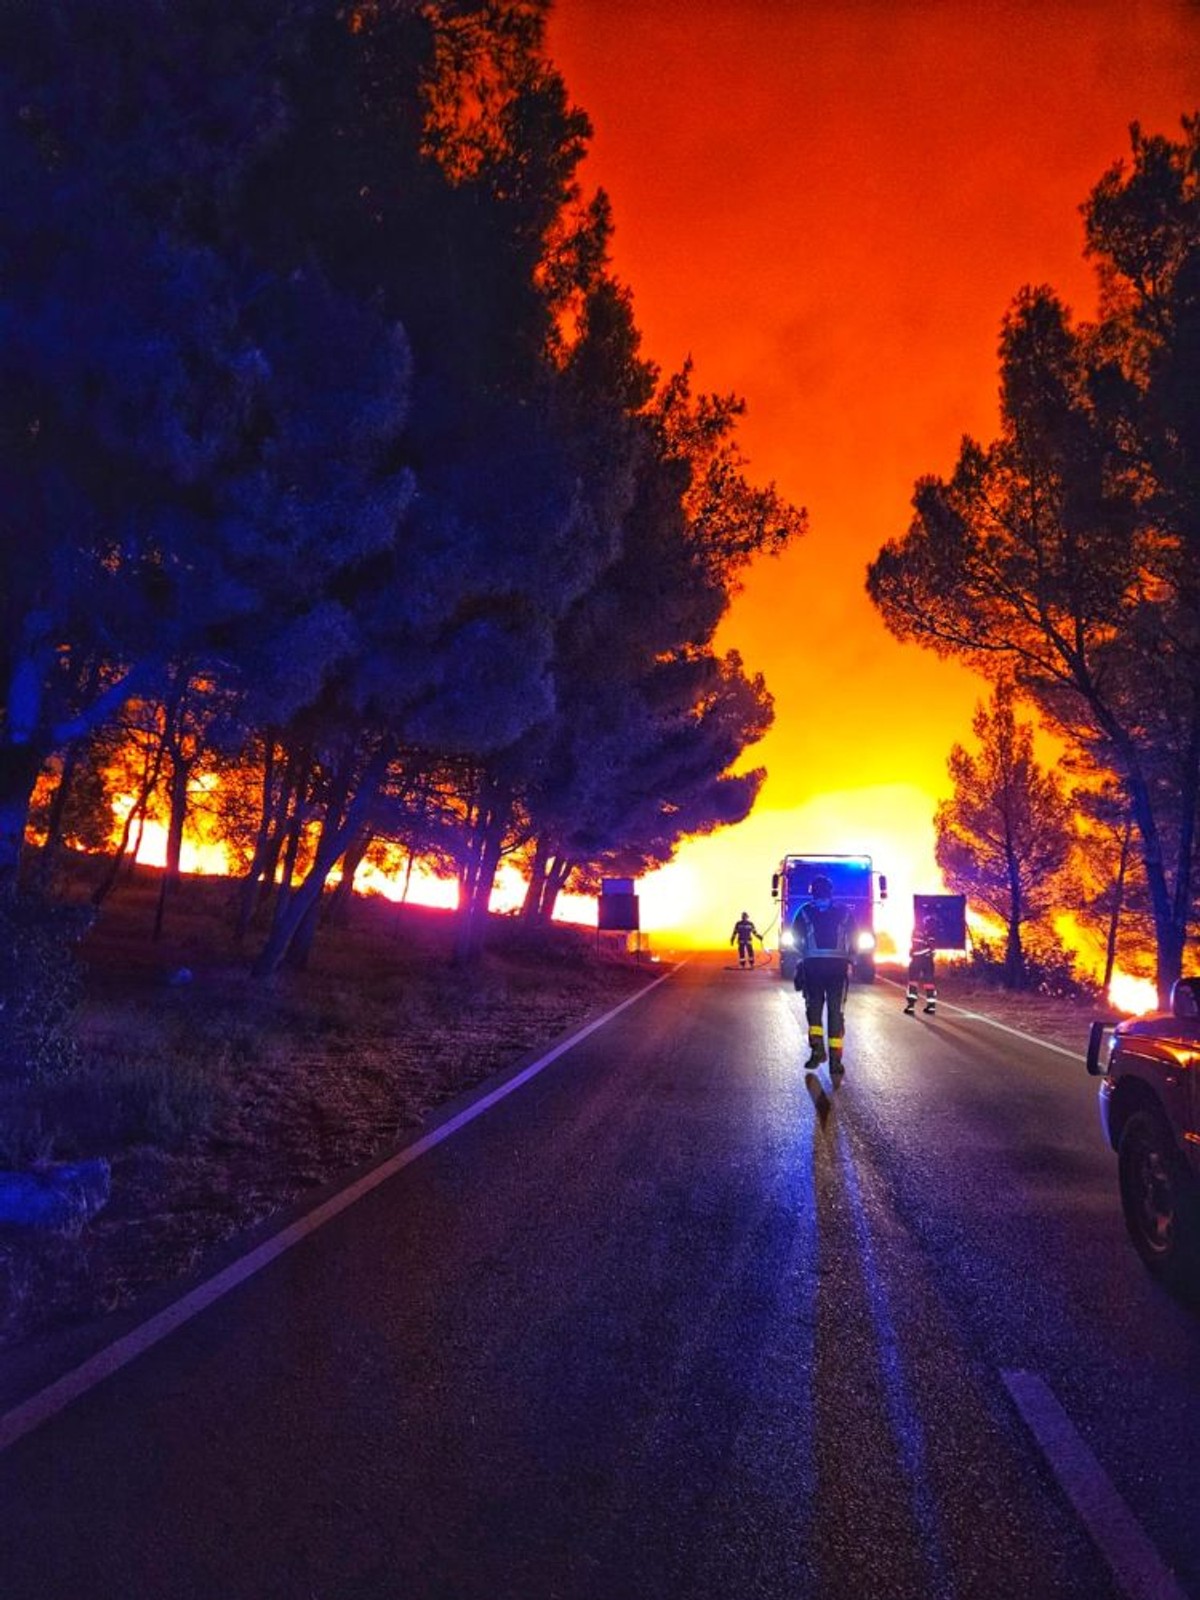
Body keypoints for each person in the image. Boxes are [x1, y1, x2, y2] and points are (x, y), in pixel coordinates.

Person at [791, 874, 855, 1072]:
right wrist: (850, 959)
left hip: (813, 969)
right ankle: (836, 1062)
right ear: (830, 891)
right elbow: (855, 938)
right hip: (838, 970)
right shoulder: (845, 911)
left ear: (812, 892)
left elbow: (794, 940)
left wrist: (803, 956)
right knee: (836, 1012)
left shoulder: (804, 912)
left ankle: (817, 1051)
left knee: (814, 1009)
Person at [904, 923, 937, 1015]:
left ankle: (910, 1007)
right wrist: (928, 952)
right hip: (928, 961)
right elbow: (933, 950)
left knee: (913, 982)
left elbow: (916, 947)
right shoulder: (932, 931)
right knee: (929, 982)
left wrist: (912, 953)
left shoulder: (917, 930)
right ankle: (931, 1007)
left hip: (917, 960)